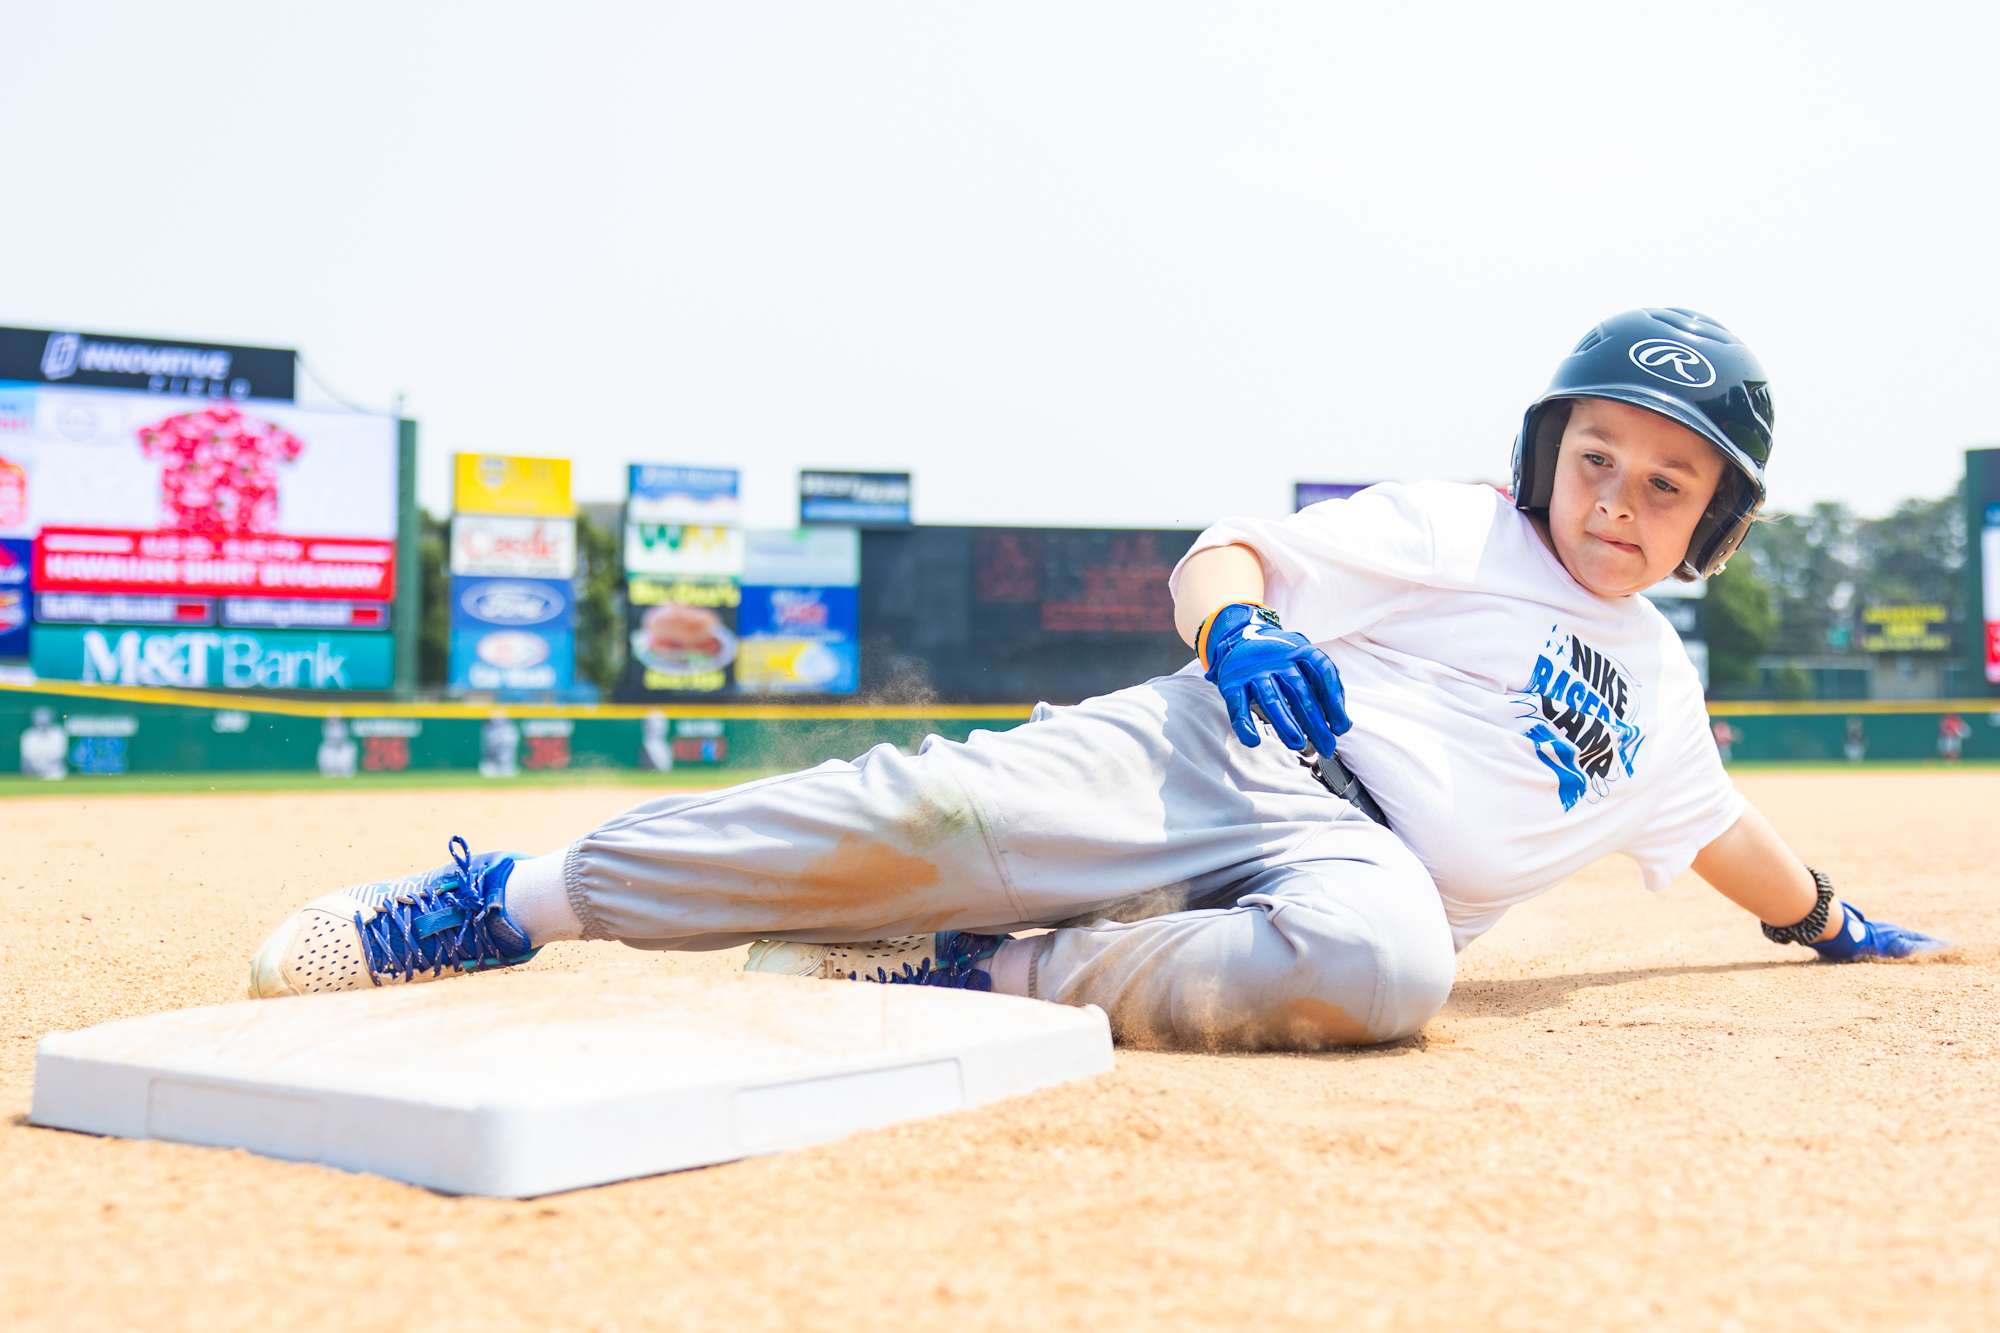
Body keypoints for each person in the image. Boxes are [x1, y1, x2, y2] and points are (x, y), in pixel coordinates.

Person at [245, 309, 1951, 1046]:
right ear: (1547, 450)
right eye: (1598, 457)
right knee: (925, 803)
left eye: (1668, 483)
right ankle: (503, 898)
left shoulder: (1656, 696)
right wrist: (1239, 628)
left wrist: (1828, 923)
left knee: (1386, 968)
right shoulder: (1459, 530)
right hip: (1231, 754)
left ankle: (984, 971)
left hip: (1362, 873)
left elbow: (1727, 833)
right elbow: (1230, 550)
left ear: (1713, 520)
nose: (1619, 500)